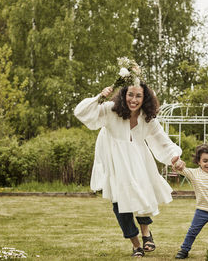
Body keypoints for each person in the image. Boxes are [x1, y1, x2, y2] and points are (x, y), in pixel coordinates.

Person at [74, 58, 184, 258]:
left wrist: (175, 157)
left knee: (142, 195)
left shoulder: (147, 118)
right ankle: (136, 245)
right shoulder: (110, 110)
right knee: (120, 205)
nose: (134, 100)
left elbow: (161, 140)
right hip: (116, 163)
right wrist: (100, 96)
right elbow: (81, 113)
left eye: (138, 96)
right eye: (130, 95)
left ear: (145, 99)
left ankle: (146, 234)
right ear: (124, 96)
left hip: (139, 161)